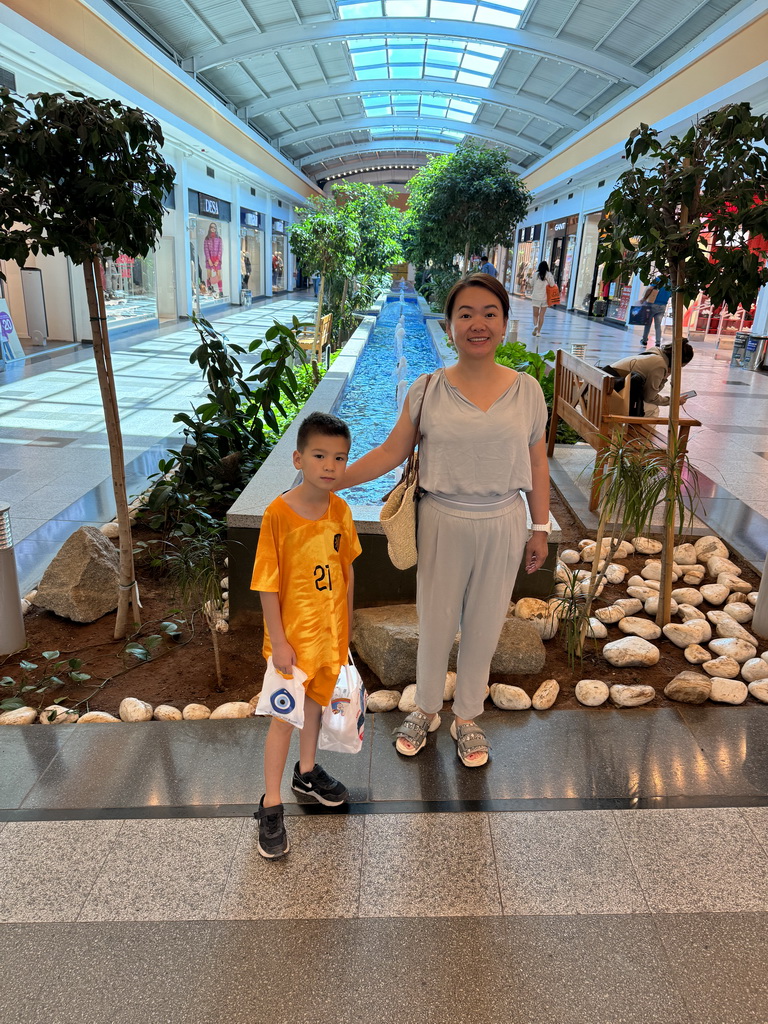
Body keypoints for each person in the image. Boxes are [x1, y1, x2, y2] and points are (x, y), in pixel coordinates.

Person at [337, 272, 550, 768]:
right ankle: (427, 708)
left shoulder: (527, 391)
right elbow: (393, 452)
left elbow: (537, 462)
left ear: (503, 323)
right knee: (434, 620)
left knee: (484, 623)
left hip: (503, 519)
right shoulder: (426, 388)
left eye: (489, 313)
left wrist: (539, 528)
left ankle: (469, 716)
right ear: (449, 325)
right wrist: (332, 479)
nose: (478, 323)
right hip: (441, 517)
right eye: (466, 314)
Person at [251, 412, 362, 859]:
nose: (329, 465)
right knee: (284, 718)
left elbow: (346, 570)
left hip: (329, 638)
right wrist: (278, 641)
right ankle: (271, 802)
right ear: (298, 458)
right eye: (319, 455)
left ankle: (307, 770)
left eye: (339, 457)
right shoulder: (278, 515)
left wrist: (347, 632)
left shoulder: (342, 511)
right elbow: (267, 583)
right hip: (292, 644)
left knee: (314, 707)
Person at [606, 341, 694, 417]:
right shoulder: (659, 365)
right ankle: (639, 436)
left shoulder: (655, 353)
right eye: (682, 366)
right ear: (678, 362)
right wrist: (673, 401)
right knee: (653, 409)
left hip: (609, 387)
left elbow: (648, 393)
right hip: (613, 395)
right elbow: (650, 397)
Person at [640, 276, 672, 347]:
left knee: (648, 323)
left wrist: (644, 299)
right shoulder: (671, 282)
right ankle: (658, 342)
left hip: (652, 304)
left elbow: (650, 289)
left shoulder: (658, 279)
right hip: (663, 306)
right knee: (658, 325)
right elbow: (671, 294)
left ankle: (644, 340)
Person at [530, 260, 556, 337]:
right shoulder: (549, 275)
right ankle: (538, 332)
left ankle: (535, 326)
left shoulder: (536, 274)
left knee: (535, 315)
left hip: (536, 297)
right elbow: (552, 285)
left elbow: (531, 284)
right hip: (545, 297)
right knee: (542, 315)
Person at [203, 223, 223, 296]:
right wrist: (209, 260)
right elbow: (206, 250)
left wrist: (218, 260)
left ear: (216, 228)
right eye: (211, 227)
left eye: (214, 227)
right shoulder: (207, 238)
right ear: (209, 228)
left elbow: (220, 250)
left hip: (217, 260)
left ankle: (220, 291)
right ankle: (209, 290)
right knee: (209, 275)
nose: (213, 229)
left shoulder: (219, 238)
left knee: (219, 276)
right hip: (209, 260)